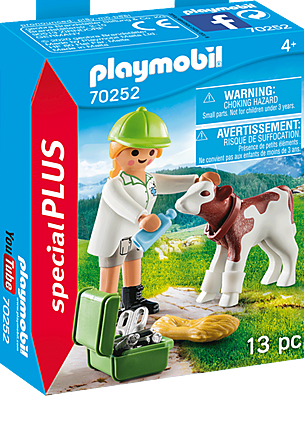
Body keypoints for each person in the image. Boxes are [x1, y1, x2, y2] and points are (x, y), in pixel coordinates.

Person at [87, 106, 217, 313]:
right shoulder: (114, 184)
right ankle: (107, 309)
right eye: (135, 152)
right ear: (117, 152)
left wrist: (196, 181)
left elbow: (171, 182)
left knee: (133, 259)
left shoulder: (149, 179)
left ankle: (132, 300)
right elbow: (121, 202)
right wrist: (141, 217)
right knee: (112, 267)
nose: (143, 157)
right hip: (114, 236)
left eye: (150, 152)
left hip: (137, 233)